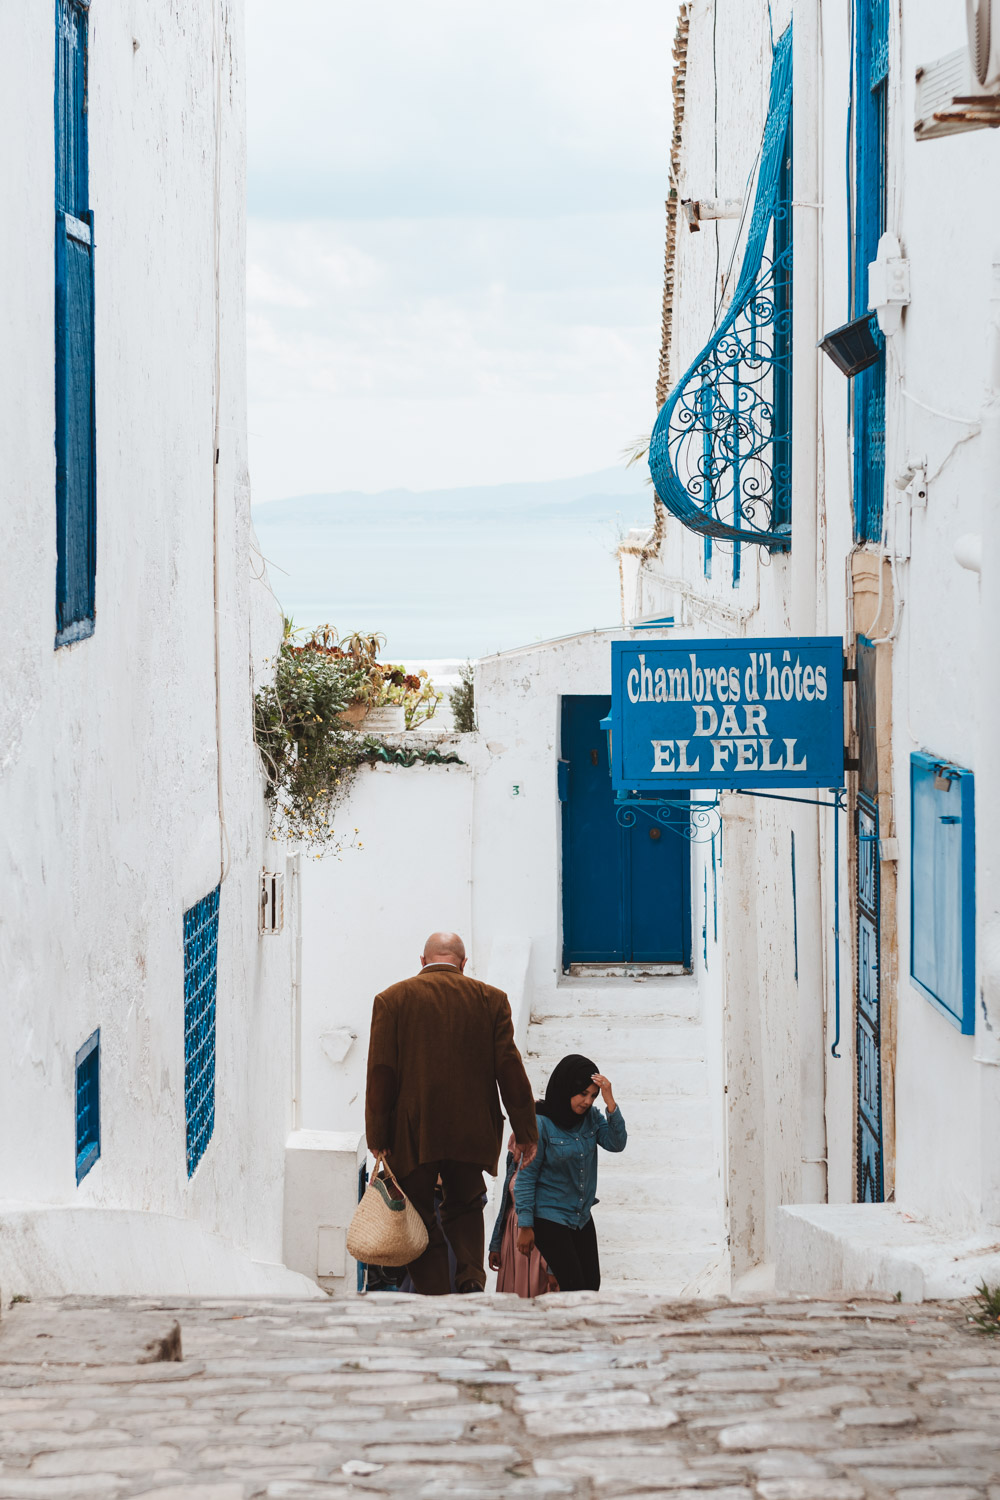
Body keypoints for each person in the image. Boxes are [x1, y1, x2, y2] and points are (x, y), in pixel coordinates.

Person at [365, 931, 538, 1295]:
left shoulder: (392, 1000)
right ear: (463, 962)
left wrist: (378, 1137)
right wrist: (526, 1132)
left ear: (423, 961)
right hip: (471, 1131)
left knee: (419, 1214)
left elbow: (381, 1074)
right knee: (466, 1205)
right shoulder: (491, 1000)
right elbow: (510, 1069)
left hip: (413, 1135)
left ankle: (433, 1293)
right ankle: (471, 1278)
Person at [513, 1053, 626, 1293]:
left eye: (592, 1096)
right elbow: (526, 1176)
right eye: (583, 1094)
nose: (587, 1101)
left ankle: (580, 1330)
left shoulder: (592, 1118)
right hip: (550, 1216)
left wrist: (610, 1103)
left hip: (580, 1216)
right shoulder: (541, 1123)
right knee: (574, 1287)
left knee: (591, 1286)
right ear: (566, 1088)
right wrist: (525, 1225)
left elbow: (616, 1143)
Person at [489, 1137, 558, 1298]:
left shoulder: (553, 1150)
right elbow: (506, 1199)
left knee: (541, 1293)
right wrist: (496, 1243)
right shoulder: (515, 1150)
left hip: (540, 1235)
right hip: (512, 1237)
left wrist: (553, 1266)